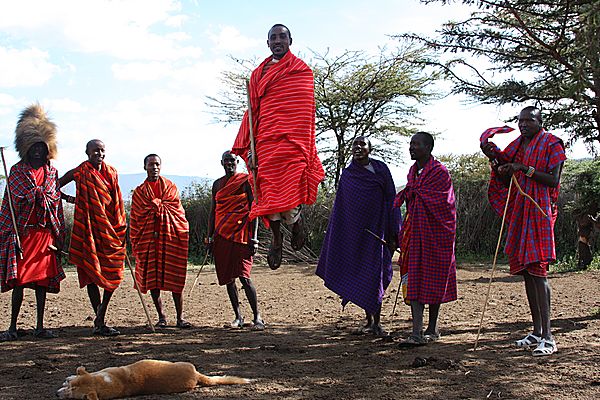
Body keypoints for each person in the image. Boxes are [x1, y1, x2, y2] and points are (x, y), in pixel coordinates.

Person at [232, 23, 324, 270]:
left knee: (291, 192)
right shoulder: (258, 74)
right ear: (267, 43)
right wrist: (249, 148)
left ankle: (295, 223)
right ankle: (276, 237)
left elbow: (305, 114)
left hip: (293, 144)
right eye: (273, 37)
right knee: (267, 192)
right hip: (266, 141)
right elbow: (252, 112)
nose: (277, 41)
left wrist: (306, 148)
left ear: (290, 40)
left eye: (282, 36)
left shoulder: (301, 71)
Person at [481, 106, 566, 356]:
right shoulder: (519, 144)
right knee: (528, 272)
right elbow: (505, 172)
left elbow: (553, 180)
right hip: (521, 209)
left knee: (539, 271)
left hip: (540, 210)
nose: (524, 124)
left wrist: (522, 168)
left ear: (540, 121)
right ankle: (537, 332)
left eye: (529, 120)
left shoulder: (552, 144)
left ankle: (549, 337)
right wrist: (496, 159)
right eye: (520, 121)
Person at [316, 137, 398, 337]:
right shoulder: (348, 175)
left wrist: (394, 230)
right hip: (354, 235)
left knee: (375, 276)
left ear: (370, 149)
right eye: (355, 145)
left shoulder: (380, 170)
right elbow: (342, 209)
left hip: (377, 233)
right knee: (361, 276)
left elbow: (391, 199)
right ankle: (369, 321)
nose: (358, 148)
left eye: (362, 144)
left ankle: (377, 322)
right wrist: (343, 235)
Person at [0, 104, 66, 341]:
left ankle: (40, 326)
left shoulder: (52, 173)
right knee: (19, 281)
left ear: (48, 149)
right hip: (23, 235)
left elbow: (55, 201)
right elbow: (11, 202)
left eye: (42, 147)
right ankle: (12, 327)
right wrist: (30, 197)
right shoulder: (17, 172)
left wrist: (43, 198)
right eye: (34, 147)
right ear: (27, 149)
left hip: (44, 236)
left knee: (41, 283)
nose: (38, 151)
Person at [395, 132, 457, 346]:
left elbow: (445, 204)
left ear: (429, 148)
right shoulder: (413, 172)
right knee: (413, 276)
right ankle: (416, 332)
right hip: (414, 232)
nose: (412, 148)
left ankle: (432, 327)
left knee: (434, 278)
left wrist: (417, 194)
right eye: (411, 144)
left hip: (435, 233)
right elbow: (412, 200)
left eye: (417, 144)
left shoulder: (439, 172)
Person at [59, 139, 126, 337]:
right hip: (87, 229)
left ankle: (100, 314)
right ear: (87, 152)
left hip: (109, 229)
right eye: (95, 150)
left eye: (102, 150)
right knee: (90, 272)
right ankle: (100, 321)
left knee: (114, 271)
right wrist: (72, 200)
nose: (99, 153)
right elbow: (55, 185)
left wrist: (121, 226)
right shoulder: (81, 171)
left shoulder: (112, 172)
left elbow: (117, 201)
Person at [130, 154, 191, 329]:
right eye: (150, 165)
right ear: (145, 167)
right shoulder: (140, 192)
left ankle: (180, 318)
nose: (154, 167)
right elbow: (136, 218)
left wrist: (159, 208)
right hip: (149, 240)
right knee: (153, 280)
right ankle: (162, 317)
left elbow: (178, 213)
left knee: (175, 278)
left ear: (160, 166)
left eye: (157, 164)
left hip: (171, 239)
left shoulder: (170, 187)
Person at [207, 151, 263, 330]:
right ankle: (238, 317)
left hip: (242, 235)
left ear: (237, 162)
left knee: (244, 277)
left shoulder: (246, 181)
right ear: (221, 162)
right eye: (226, 161)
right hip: (222, 235)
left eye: (232, 160)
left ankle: (257, 317)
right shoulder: (217, 184)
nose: (229, 163)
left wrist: (254, 238)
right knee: (228, 278)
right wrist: (209, 236)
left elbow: (254, 210)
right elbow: (213, 211)